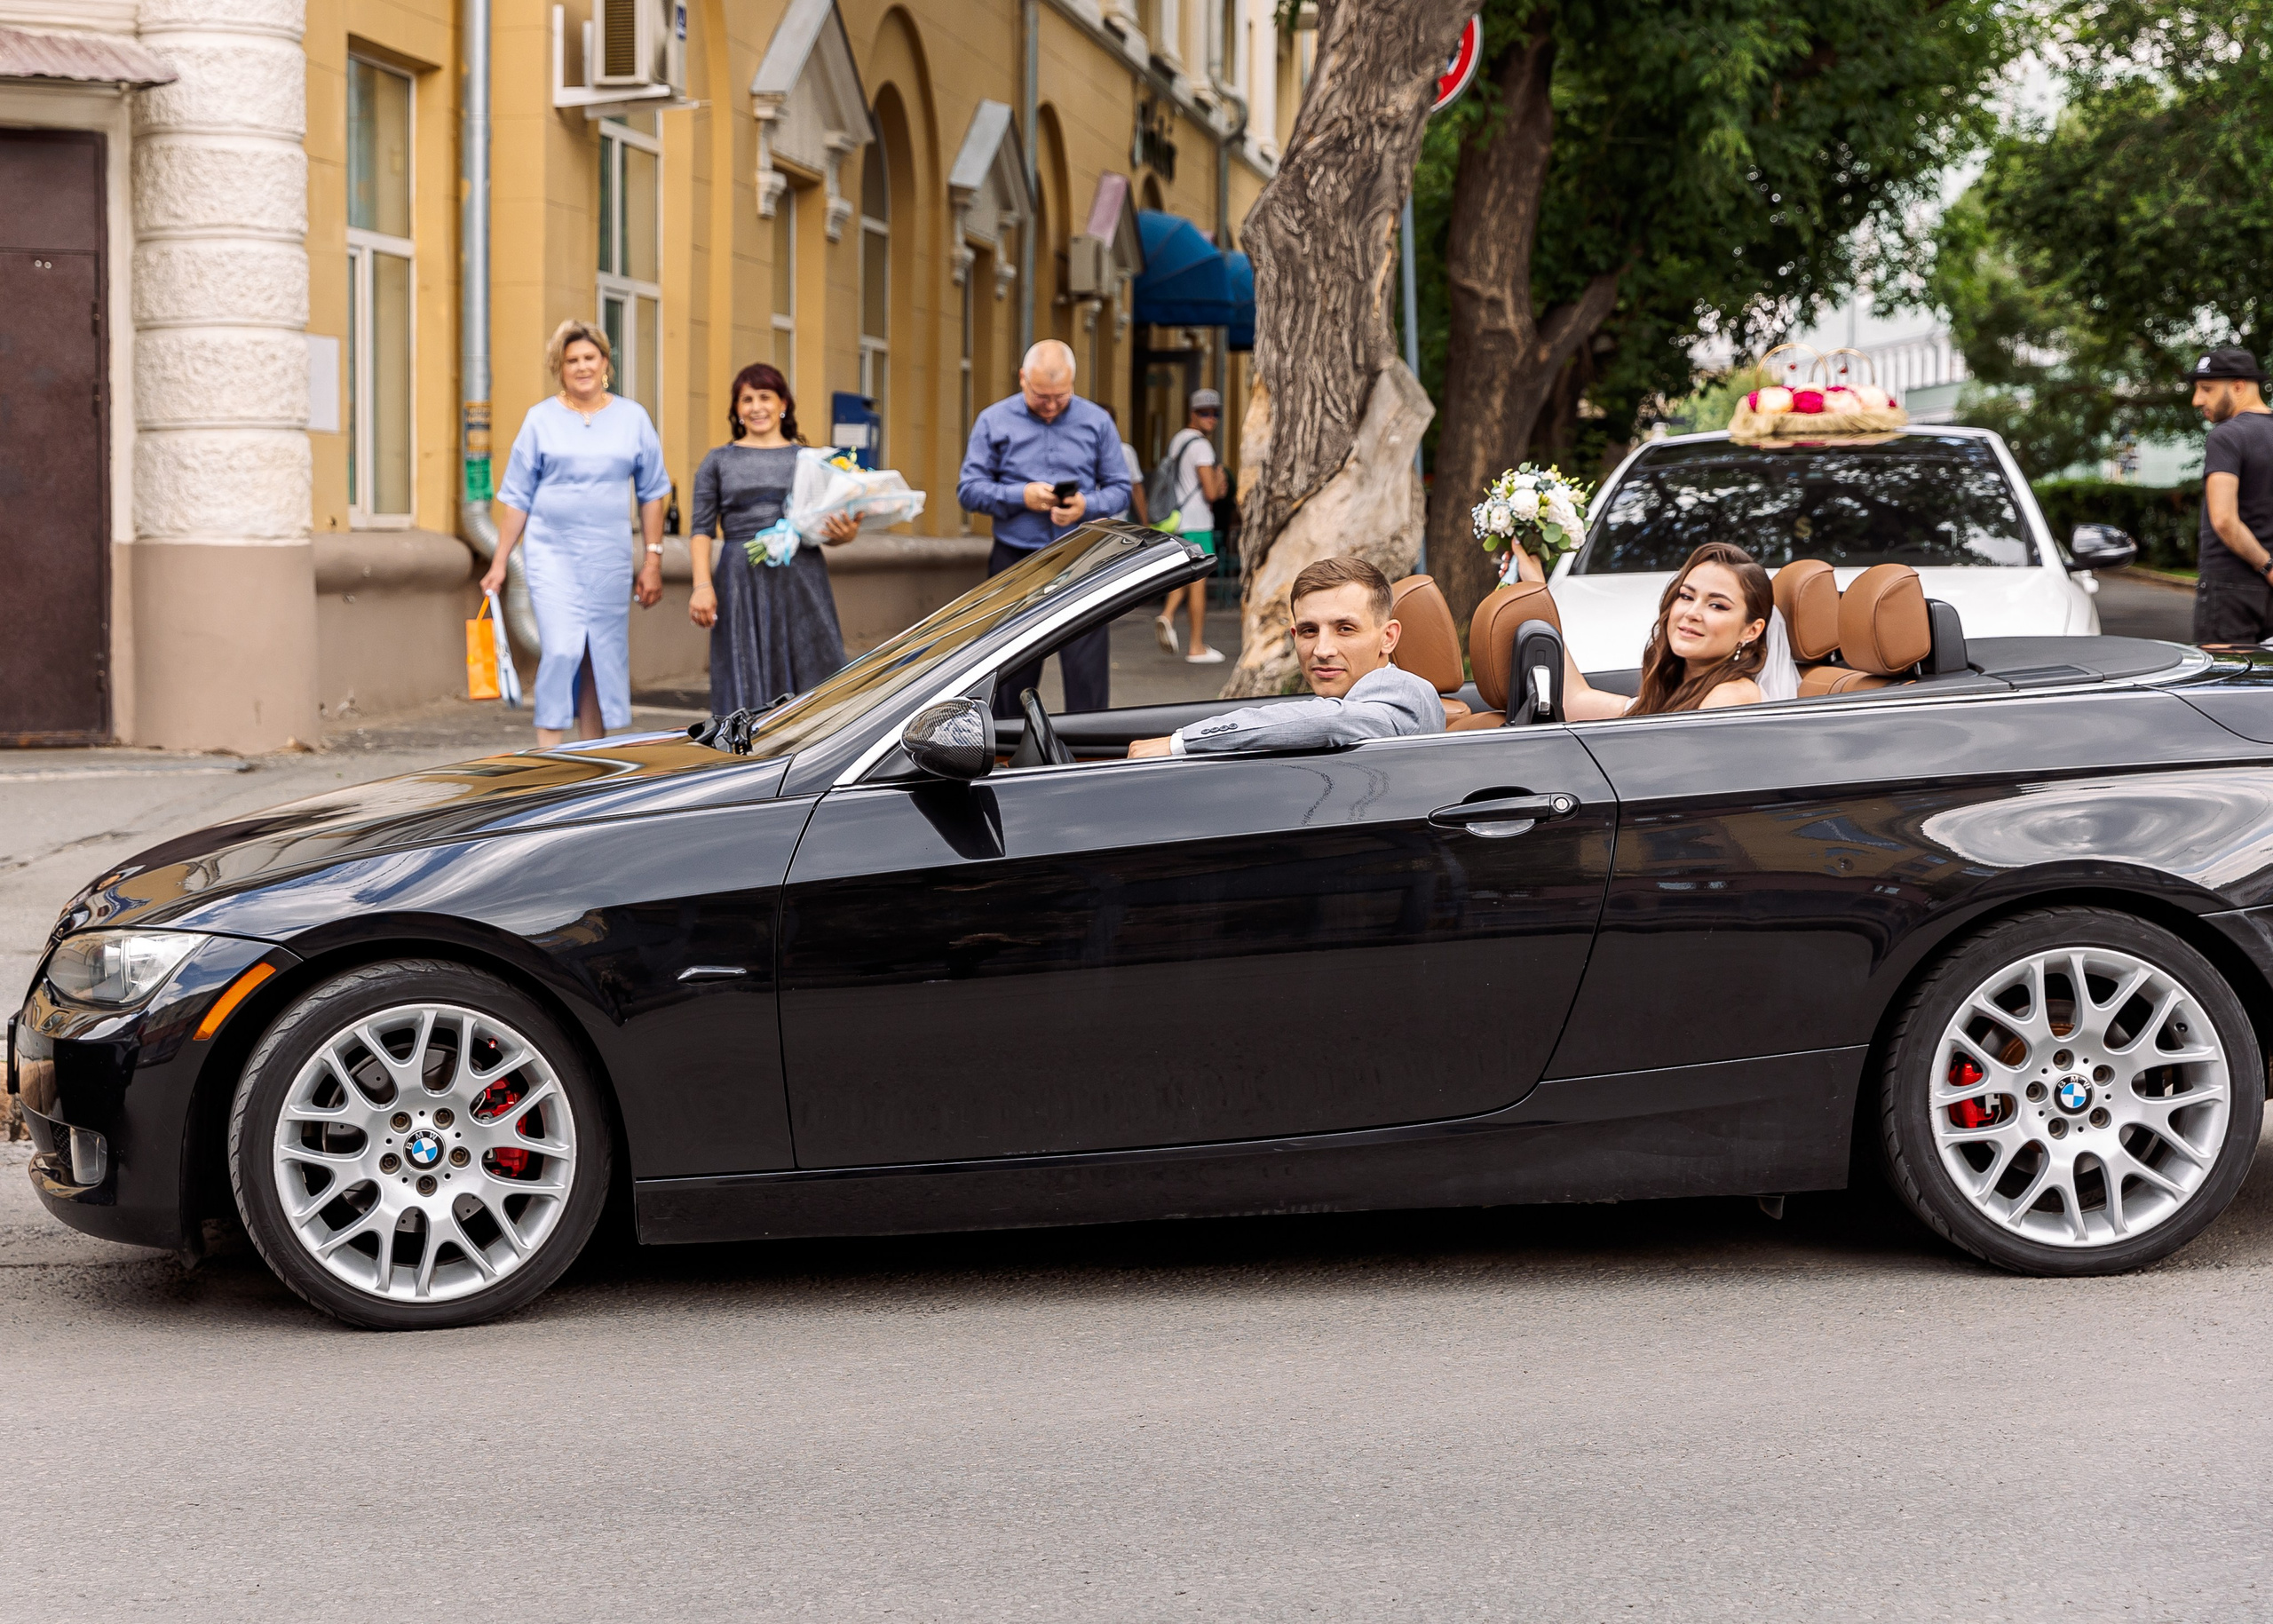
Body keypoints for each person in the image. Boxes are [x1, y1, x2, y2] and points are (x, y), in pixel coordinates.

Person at [483, 320, 669, 747]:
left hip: (608, 556)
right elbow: (517, 497)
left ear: (605, 361)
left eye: (590, 357)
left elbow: (654, 492)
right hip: (552, 554)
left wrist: (653, 560)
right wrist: (499, 562)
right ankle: (550, 756)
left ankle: (593, 760)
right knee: (563, 648)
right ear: (559, 368)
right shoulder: (540, 419)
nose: (582, 367)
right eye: (572, 361)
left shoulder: (632, 418)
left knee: (599, 655)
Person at [957, 339, 1132, 716]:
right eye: (1042, 397)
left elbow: (1120, 488)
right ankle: (1004, 758)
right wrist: (1022, 496)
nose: (1051, 406)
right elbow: (968, 491)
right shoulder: (993, 420)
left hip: (1083, 557)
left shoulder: (1096, 421)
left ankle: (1091, 762)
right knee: (1010, 670)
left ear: (1073, 383)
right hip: (1015, 560)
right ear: (1023, 380)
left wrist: (1087, 505)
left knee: (1087, 672)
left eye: (1061, 396)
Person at [1127, 557, 1440, 757]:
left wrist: (1178, 743)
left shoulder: (1405, 694)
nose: (1322, 649)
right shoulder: (1356, 693)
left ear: (1388, 638)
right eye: (1308, 631)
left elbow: (1330, 722)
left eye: (1345, 629)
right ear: (1294, 636)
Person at [686, 362, 861, 713]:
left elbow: (828, 524)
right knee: (744, 668)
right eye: (746, 399)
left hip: (801, 577)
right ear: (736, 409)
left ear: (783, 404)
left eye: (765, 397)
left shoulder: (811, 460)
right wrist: (702, 586)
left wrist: (846, 535)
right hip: (740, 580)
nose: (756, 407)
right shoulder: (717, 461)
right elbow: (701, 529)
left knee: (812, 665)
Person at [1532, 541, 1771, 719]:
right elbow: (1575, 701)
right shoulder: (1677, 688)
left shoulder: (1732, 697)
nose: (1691, 613)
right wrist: (1533, 584)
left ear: (1751, 631)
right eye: (1686, 596)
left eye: (1717, 605)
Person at [2188, 348, 2273, 646]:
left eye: (2207, 389)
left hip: (2230, 590)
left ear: (2238, 386)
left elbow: (2223, 519)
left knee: (2223, 685)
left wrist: (2267, 566)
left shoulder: (2226, 436)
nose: (2197, 400)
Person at [1152, 388, 1229, 664]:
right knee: (1198, 582)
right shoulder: (1201, 446)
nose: (1211, 418)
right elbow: (1211, 492)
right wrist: (1220, 484)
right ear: (1192, 413)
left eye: (1215, 413)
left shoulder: (1178, 440)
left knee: (1186, 575)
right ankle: (1196, 646)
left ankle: (1167, 615)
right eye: (1204, 413)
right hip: (1198, 522)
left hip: (1179, 521)